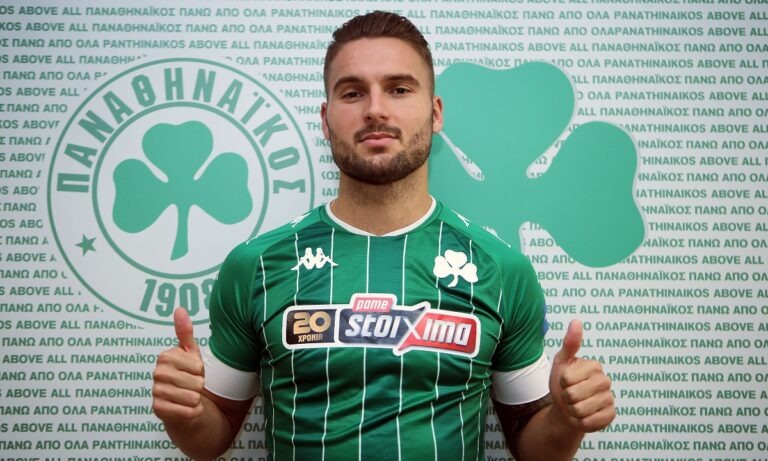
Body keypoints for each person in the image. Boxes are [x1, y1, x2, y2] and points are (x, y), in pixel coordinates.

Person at [152, 11, 615, 461]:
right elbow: (210, 439)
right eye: (353, 93)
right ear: (326, 118)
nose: (375, 110)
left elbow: (532, 445)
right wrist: (184, 414)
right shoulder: (255, 265)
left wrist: (566, 420)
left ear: (435, 113)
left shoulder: (502, 269)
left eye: (399, 89)